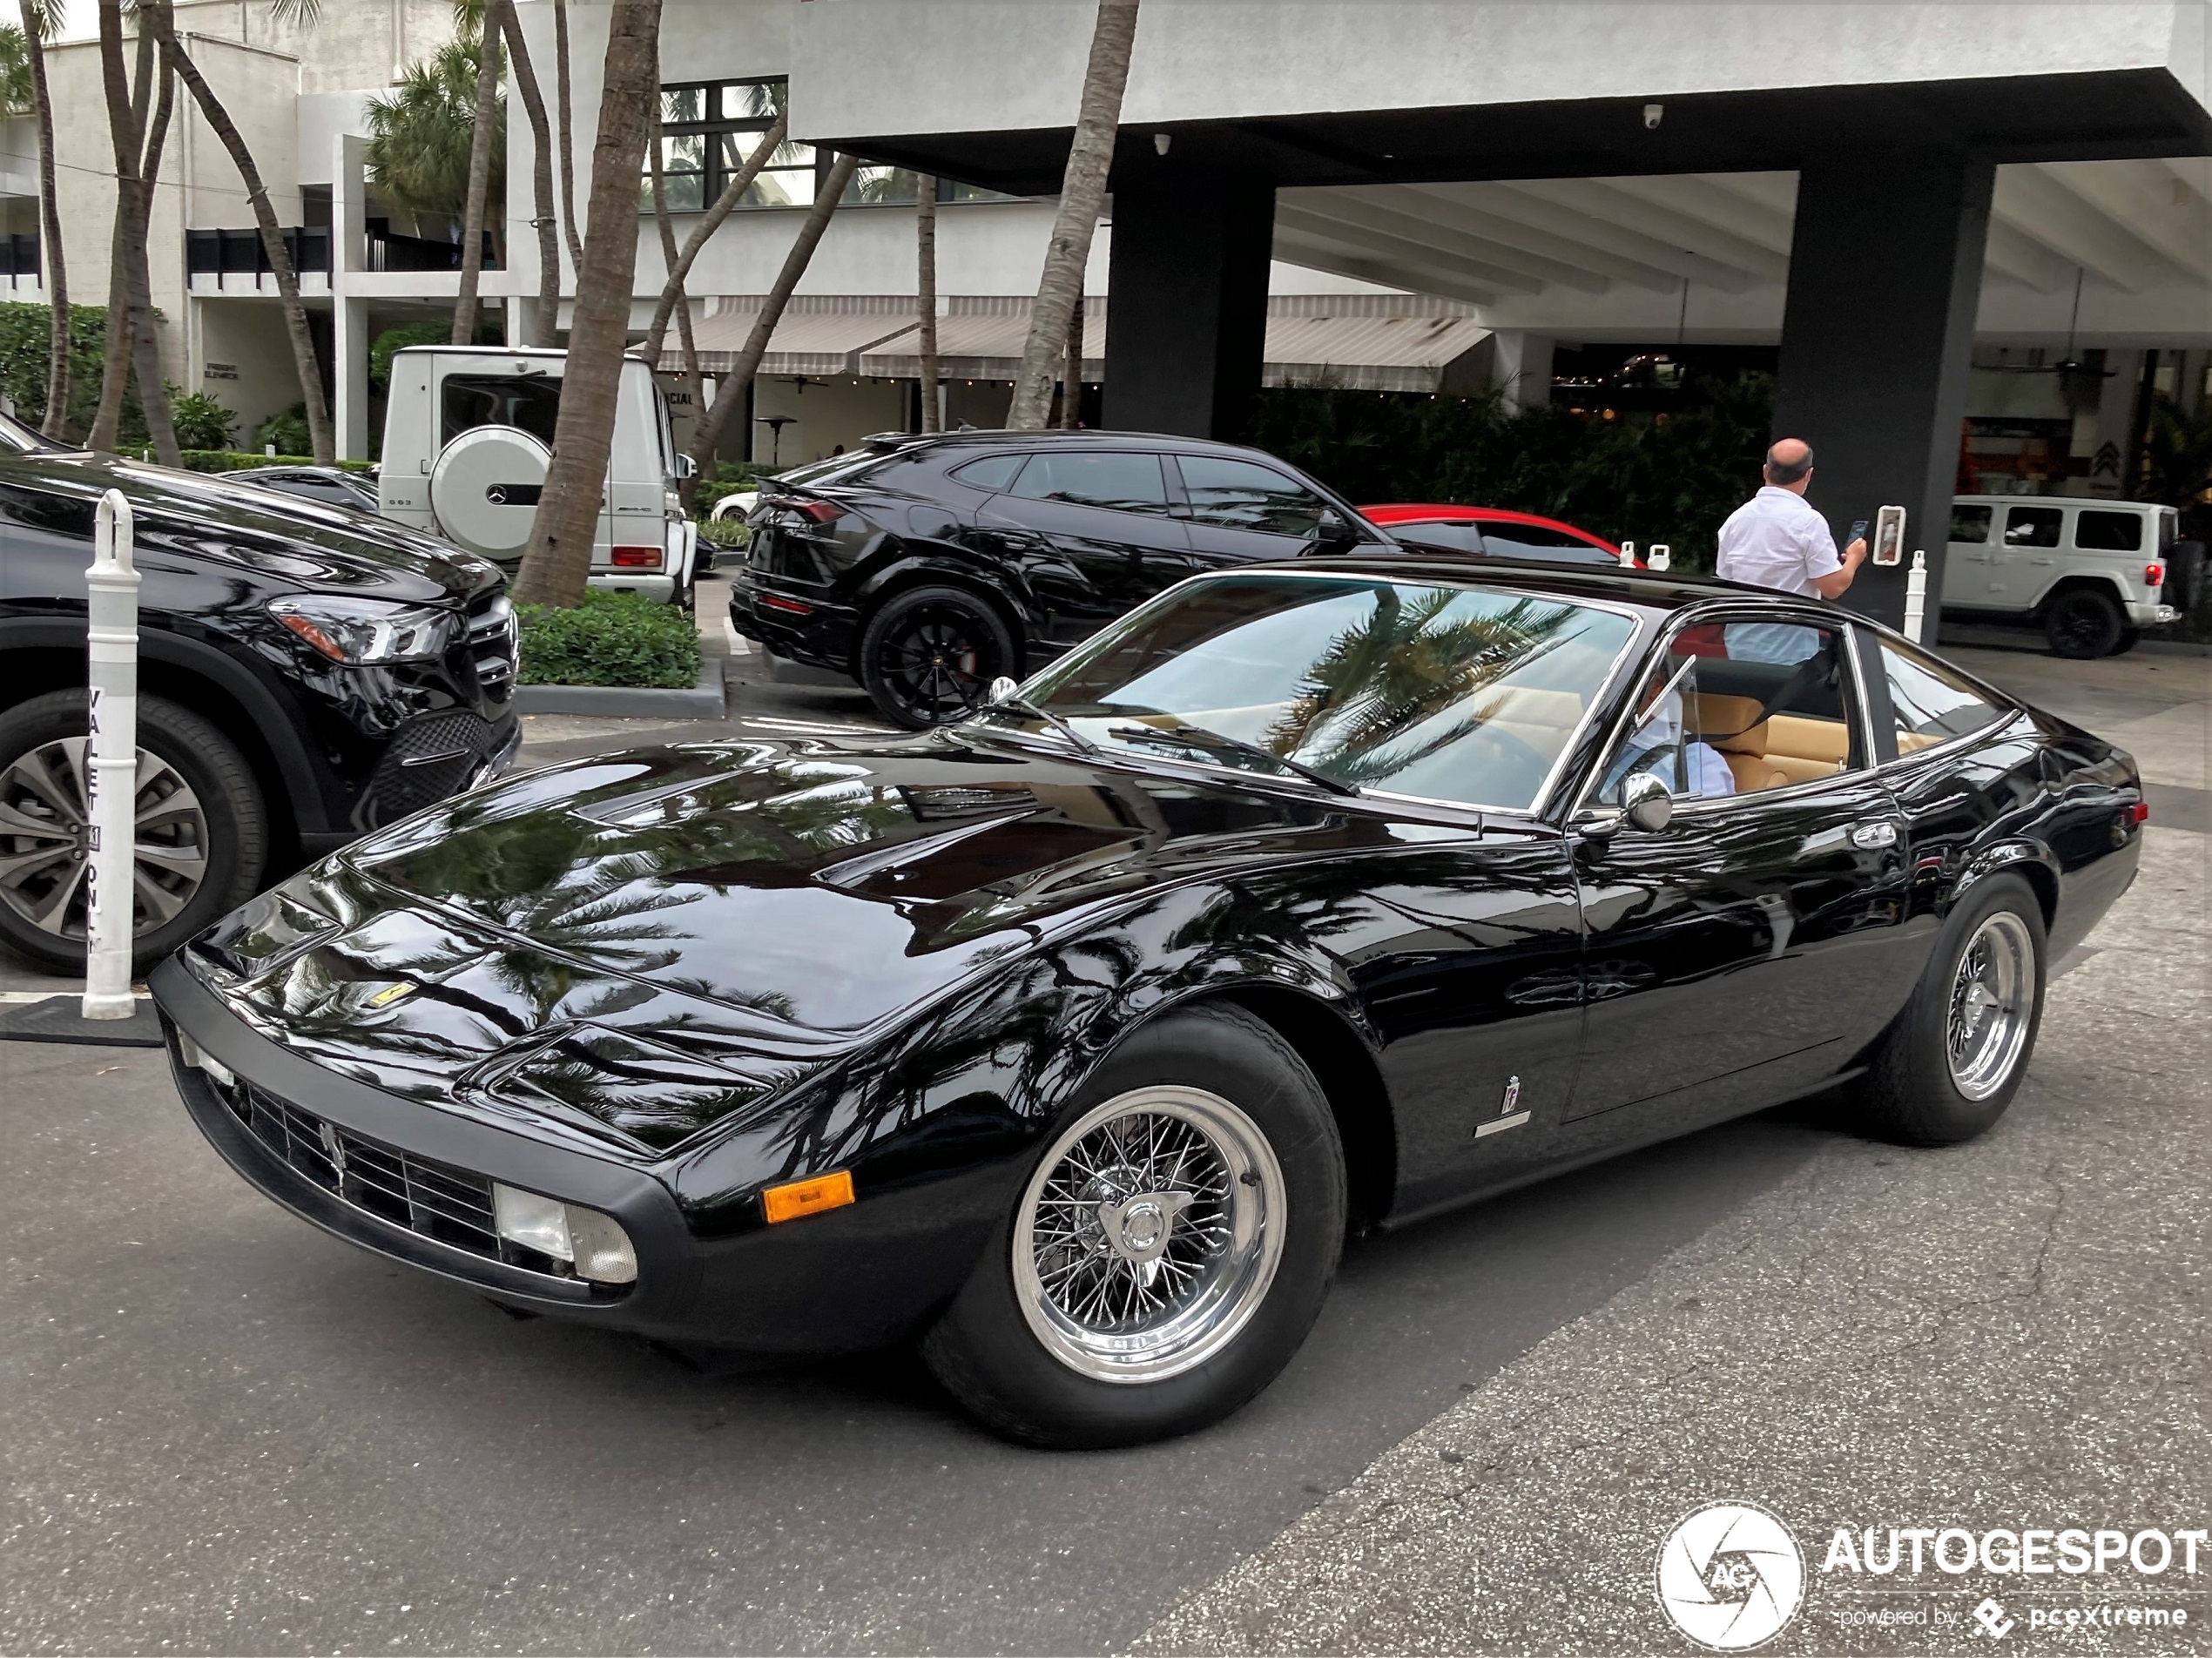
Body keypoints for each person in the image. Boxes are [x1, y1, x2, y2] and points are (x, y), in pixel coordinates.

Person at [1717, 438, 1867, 662]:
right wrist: (1854, 559)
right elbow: (1833, 587)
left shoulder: (1735, 521)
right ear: (1808, 475)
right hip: (1791, 650)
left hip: (1739, 646)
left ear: (1765, 471)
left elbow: (1725, 582)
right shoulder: (1808, 522)